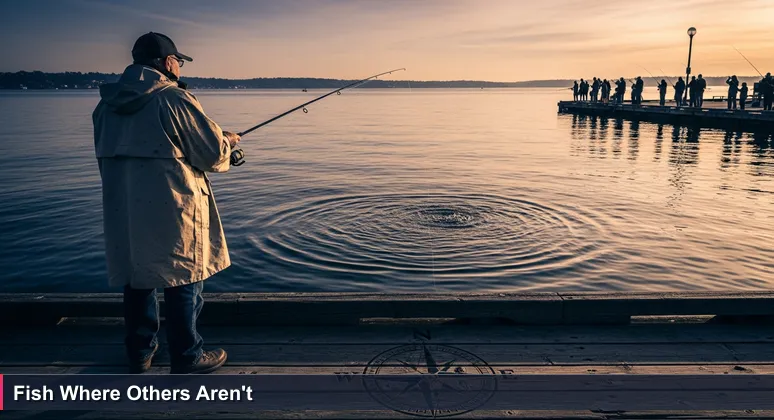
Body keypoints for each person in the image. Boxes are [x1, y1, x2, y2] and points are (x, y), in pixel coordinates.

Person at [92, 32, 238, 374]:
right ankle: (187, 354)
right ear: (165, 62)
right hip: (174, 205)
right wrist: (228, 140)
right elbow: (212, 154)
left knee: (137, 275)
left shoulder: (105, 105)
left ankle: (140, 352)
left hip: (124, 205)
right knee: (184, 275)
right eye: (178, 60)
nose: (179, 66)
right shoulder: (173, 99)